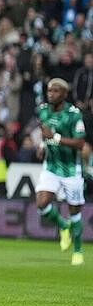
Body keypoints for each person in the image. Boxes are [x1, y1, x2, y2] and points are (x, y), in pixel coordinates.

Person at [34, 78, 89, 266]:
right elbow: (45, 133)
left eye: (56, 91)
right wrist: (43, 145)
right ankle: (63, 226)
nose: (51, 94)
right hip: (51, 167)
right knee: (42, 203)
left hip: (72, 170)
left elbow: (80, 143)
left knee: (75, 211)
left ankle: (78, 250)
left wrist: (54, 138)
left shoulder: (73, 115)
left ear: (65, 94)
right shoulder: (43, 111)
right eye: (49, 90)